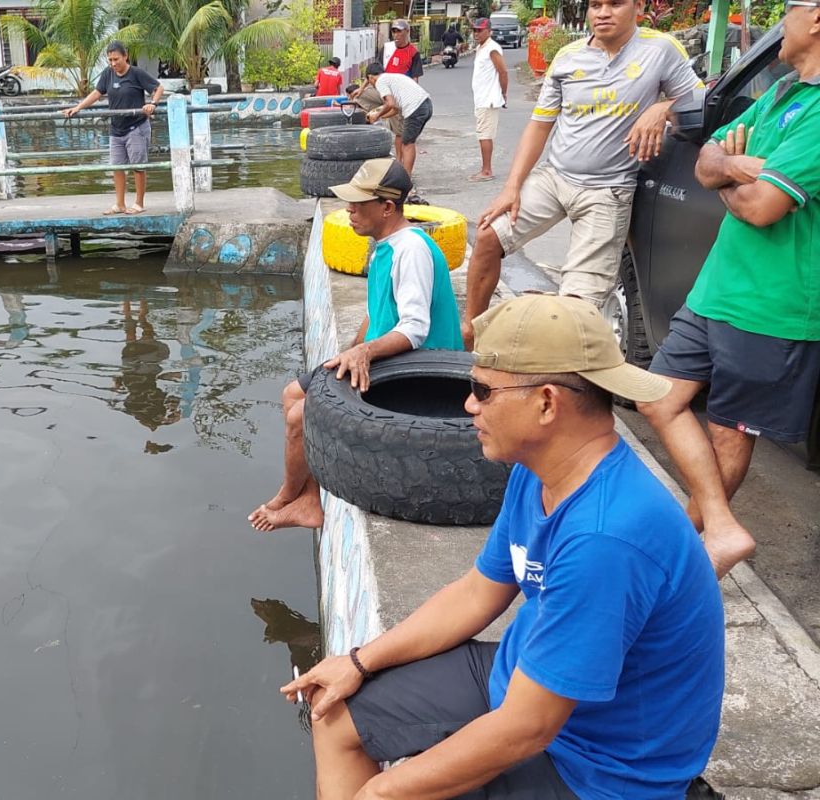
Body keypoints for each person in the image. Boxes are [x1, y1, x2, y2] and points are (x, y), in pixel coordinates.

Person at [282, 293, 725, 800]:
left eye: (483, 390)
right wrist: (359, 661)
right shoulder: (537, 471)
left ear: (546, 403)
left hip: (603, 768)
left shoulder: (606, 538)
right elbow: (476, 592)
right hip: (525, 680)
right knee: (333, 711)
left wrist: (382, 793)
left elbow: (526, 730)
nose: (468, 404)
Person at [636, 0, 820, 578]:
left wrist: (736, 173)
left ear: (816, 19)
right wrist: (740, 168)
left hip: (773, 304)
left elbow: (764, 208)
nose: (778, 21)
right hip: (718, 287)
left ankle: (686, 558)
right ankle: (717, 526)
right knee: (656, 397)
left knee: (728, 428)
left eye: (788, 8)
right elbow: (708, 159)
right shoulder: (784, 91)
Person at [462, 0, 702, 350]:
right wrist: (511, 187)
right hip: (555, 178)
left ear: (637, 7)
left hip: (608, 192)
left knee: (577, 308)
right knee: (487, 237)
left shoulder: (660, 50)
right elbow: (539, 126)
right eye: (595, 5)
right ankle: (471, 332)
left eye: (614, 4)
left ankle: (571, 389)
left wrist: (662, 108)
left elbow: (699, 97)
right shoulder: (568, 57)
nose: (602, 13)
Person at [248, 159, 462, 532]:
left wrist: (364, 352)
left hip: (419, 366)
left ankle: (286, 494)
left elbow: (414, 328)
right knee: (291, 394)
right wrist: (348, 350)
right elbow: (375, 313)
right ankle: (309, 501)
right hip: (389, 356)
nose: (349, 210)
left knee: (303, 416)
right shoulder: (384, 246)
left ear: (387, 207)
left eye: (358, 203)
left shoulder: (411, 250)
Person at [63, 41, 164, 215]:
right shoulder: (108, 74)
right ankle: (120, 204)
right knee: (116, 167)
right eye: (110, 60)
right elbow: (97, 93)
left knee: (138, 166)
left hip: (136, 127)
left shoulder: (136, 73)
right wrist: (78, 107)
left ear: (125, 56)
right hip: (116, 128)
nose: (113, 63)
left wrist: (152, 104)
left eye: (116, 59)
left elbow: (158, 88)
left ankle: (139, 203)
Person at [363, 62, 433, 176]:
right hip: (426, 105)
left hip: (415, 108)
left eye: (369, 82)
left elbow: (389, 103)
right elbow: (394, 109)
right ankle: (405, 176)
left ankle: (406, 180)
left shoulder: (381, 81)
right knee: (409, 141)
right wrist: (379, 116)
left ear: (370, 77)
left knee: (407, 144)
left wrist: (376, 115)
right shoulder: (392, 78)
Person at [470, 18, 508, 181]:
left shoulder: (492, 48)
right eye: (475, 30)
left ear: (489, 31)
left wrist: (503, 93)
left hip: (488, 99)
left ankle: (486, 171)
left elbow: (503, 72)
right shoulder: (481, 48)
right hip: (481, 98)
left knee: (485, 134)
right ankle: (485, 169)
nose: (476, 33)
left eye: (480, 30)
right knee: (483, 133)